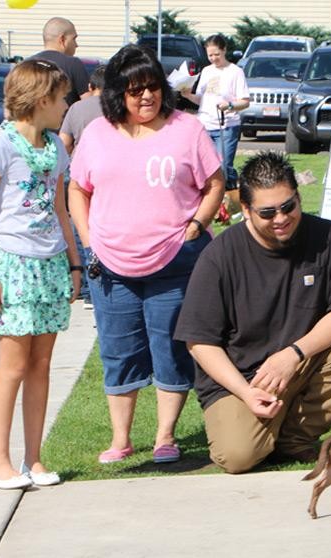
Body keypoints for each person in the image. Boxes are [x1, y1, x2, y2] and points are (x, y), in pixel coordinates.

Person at [174, 151, 331, 474]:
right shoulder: (219, 256)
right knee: (239, 456)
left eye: (288, 206)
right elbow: (199, 343)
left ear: (299, 197)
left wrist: (293, 354)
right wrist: (245, 391)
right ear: (245, 210)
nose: (281, 218)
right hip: (241, 378)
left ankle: (293, 439)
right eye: (268, 212)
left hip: (301, 362)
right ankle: (263, 433)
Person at [68, 44, 224, 465]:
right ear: (118, 93)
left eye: (152, 87)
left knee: (170, 348)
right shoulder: (98, 133)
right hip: (111, 265)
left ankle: (165, 437)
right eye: (135, 91)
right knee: (118, 349)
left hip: (176, 262)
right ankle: (121, 439)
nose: (146, 97)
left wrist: (195, 226)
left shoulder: (187, 130)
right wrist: (88, 239)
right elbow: (78, 189)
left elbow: (215, 182)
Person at [0, 59, 81, 489]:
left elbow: (59, 207)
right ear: (40, 100)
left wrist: (74, 262)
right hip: (13, 266)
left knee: (42, 364)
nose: (66, 104)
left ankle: (33, 459)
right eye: (62, 97)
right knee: (12, 366)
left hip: (51, 264)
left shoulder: (56, 146)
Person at [60, 63, 106, 309]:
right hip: (109, 175)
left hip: (80, 175)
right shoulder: (118, 108)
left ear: (90, 87)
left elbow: (64, 143)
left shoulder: (77, 108)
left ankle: (88, 286)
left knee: (81, 228)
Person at [180, 33, 249, 191]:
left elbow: (245, 102)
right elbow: (202, 100)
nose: (213, 58)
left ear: (224, 50)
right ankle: (216, 200)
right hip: (205, 124)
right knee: (206, 166)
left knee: (224, 165)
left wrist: (230, 105)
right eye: (210, 55)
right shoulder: (206, 71)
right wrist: (188, 95)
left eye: (216, 54)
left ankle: (231, 196)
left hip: (227, 126)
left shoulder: (235, 72)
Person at [31, 17, 89, 106]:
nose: (76, 45)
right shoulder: (73, 64)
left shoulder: (25, 65)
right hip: (65, 119)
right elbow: (88, 103)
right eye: (74, 39)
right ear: (62, 39)